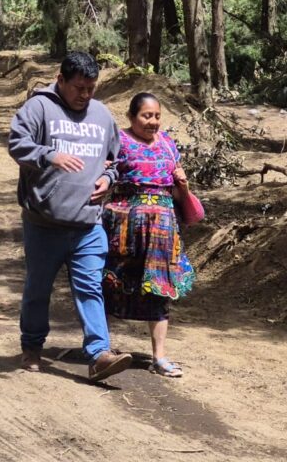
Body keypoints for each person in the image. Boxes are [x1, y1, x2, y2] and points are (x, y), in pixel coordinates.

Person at [8, 51, 133, 382]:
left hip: (88, 225)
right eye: (79, 87)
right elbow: (17, 145)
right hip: (44, 225)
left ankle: (99, 355)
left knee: (91, 287)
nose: (85, 95)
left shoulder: (102, 115)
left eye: (91, 88)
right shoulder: (39, 108)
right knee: (38, 289)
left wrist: (109, 180)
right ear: (60, 80)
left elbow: (117, 161)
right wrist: (49, 155)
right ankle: (32, 348)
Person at [102, 93, 195, 378]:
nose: (152, 122)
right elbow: (105, 177)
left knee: (159, 287)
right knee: (110, 282)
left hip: (163, 228)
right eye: (146, 115)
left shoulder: (167, 144)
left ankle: (160, 357)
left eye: (156, 116)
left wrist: (184, 184)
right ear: (131, 117)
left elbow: (178, 193)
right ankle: (100, 349)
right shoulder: (119, 141)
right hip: (124, 226)